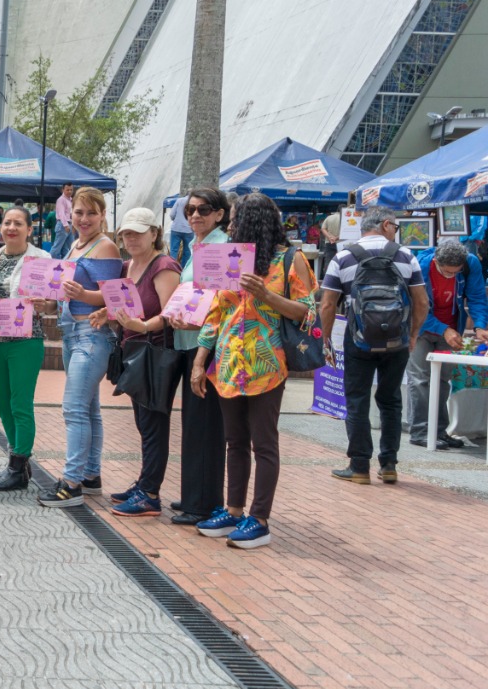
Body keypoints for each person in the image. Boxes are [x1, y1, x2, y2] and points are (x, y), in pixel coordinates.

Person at [192, 193, 318, 550]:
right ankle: (234, 510)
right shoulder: (231, 259)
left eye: (234, 219)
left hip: (267, 364)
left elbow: (308, 312)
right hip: (229, 364)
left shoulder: (291, 260)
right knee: (234, 441)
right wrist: (201, 361)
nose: (229, 226)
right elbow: (216, 312)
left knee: (263, 442)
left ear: (252, 222)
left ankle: (260, 519)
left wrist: (266, 295)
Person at [319, 207, 428, 483]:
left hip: (358, 340)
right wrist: (413, 334)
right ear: (387, 225)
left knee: (356, 400)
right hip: (397, 341)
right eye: (396, 227)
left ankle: (359, 467)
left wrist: (327, 339)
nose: (396, 232)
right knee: (390, 401)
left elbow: (328, 303)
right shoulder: (405, 256)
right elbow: (422, 302)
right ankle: (389, 463)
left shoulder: (344, 256)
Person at [37, 187, 122, 505]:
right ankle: (90, 475)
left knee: (74, 409)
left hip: (92, 334)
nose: (84, 219)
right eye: (79, 212)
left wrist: (81, 295)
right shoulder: (75, 244)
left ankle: (71, 484)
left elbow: (114, 295)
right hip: (72, 334)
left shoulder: (105, 247)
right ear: (69, 214)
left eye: (91, 213)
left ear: (102, 215)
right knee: (88, 409)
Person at [95, 208, 181, 516]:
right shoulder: (127, 265)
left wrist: (143, 326)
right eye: (126, 234)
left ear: (154, 234)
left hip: (155, 353)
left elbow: (172, 314)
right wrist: (107, 313)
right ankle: (145, 483)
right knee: (143, 424)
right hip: (133, 351)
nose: (130, 239)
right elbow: (124, 305)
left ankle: (150, 493)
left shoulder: (164, 265)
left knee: (153, 424)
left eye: (137, 233)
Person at [162, 188, 230, 525]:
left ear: (220, 213)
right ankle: (196, 493)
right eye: (189, 210)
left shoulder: (220, 246)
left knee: (204, 426)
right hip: (190, 341)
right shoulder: (197, 246)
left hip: (208, 347)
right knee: (194, 423)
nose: (195, 216)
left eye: (203, 209)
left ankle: (202, 503)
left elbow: (222, 303)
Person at [0, 205, 56, 491]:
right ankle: (17, 463)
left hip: (27, 339)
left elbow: (52, 303)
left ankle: (18, 464)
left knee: (20, 404)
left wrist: (46, 304)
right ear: (1, 228)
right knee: (2, 403)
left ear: (29, 229)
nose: (11, 228)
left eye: (18, 223)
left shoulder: (42, 258)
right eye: (7, 223)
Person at [407, 239, 488, 450]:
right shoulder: (421, 265)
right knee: (421, 378)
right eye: (446, 272)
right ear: (436, 261)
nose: (451, 275)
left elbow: (477, 297)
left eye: (456, 272)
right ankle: (421, 431)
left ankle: (439, 430)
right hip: (421, 327)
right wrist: (443, 328)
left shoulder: (471, 263)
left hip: (452, 327)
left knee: (443, 379)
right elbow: (416, 305)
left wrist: (480, 325)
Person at [168, 194, 193, 268]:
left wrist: (176, 220)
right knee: (187, 251)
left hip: (176, 228)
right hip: (189, 230)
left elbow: (172, 214)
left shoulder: (179, 200)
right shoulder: (193, 202)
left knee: (174, 250)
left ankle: (172, 268)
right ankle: (183, 269)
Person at [51, 183, 75, 257]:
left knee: (69, 248)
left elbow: (70, 213)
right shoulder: (61, 200)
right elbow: (61, 214)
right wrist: (65, 225)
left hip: (69, 224)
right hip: (63, 225)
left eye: (71, 190)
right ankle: (49, 263)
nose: (69, 191)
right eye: (67, 190)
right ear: (63, 190)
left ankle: (67, 265)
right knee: (57, 248)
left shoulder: (71, 200)